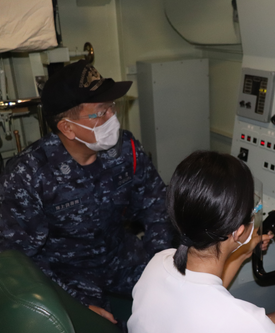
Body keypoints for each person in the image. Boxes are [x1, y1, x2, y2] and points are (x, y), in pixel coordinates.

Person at [0, 60, 172, 325]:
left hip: (120, 254)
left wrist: (162, 262)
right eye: (99, 113)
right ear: (67, 127)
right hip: (67, 273)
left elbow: (156, 206)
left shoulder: (125, 149)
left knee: (174, 297)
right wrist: (74, 302)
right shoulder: (28, 176)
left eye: (111, 108)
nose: (111, 118)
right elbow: (19, 258)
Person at [127, 151, 275, 333]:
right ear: (238, 231)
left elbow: (204, 287)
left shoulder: (158, 263)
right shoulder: (243, 322)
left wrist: (243, 252)